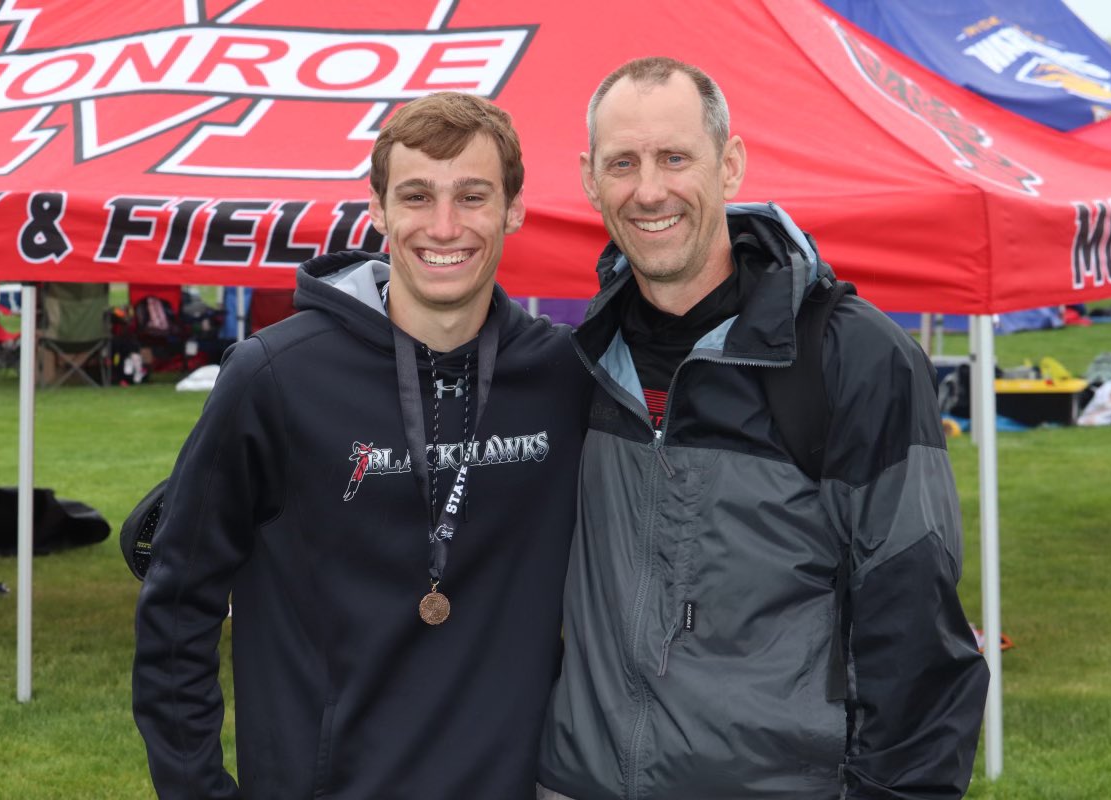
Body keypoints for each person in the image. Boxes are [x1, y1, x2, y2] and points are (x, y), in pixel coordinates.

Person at [538, 57, 989, 799]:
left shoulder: (854, 360)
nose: (649, 189)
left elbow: (916, 641)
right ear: (590, 178)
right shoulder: (577, 362)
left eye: (675, 157)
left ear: (731, 164)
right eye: (624, 162)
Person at [132, 92, 591, 799]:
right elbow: (177, 605)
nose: (445, 226)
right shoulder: (276, 376)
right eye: (416, 196)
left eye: (473, 196)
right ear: (376, 209)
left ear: (514, 208)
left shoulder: (563, 377)